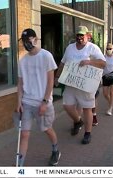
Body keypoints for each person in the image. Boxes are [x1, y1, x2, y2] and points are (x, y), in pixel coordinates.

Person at [16, 28, 60, 166]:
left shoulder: (46, 56)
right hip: (27, 102)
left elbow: (50, 81)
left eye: (27, 40)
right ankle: (19, 166)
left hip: (43, 102)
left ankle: (55, 150)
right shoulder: (22, 61)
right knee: (24, 134)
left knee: (47, 129)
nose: (25, 44)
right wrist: (18, 102)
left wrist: (45, 102)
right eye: (23, 41)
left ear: (35, 39)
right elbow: (20, 83)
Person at [55, 26, 106, 144]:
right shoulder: (70, 48)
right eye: (78, 35)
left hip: (86, 85)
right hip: (71, 83)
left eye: (82, 35)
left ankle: (87, 133)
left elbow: (103, 63)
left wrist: (90, 62)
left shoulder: (93, 48)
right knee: (67, 105)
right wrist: (57, 76)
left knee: (87, 109)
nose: (79, 38)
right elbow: (63, 63)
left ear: (87, 35)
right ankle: (78, 121)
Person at [102, 43, 113, 116]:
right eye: (107, 48)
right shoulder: (103, 57)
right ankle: (111, 103)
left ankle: (110, 109)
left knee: (112, 92)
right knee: (105, 94)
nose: (109, 50)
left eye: (110, 48)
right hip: (105, 76)